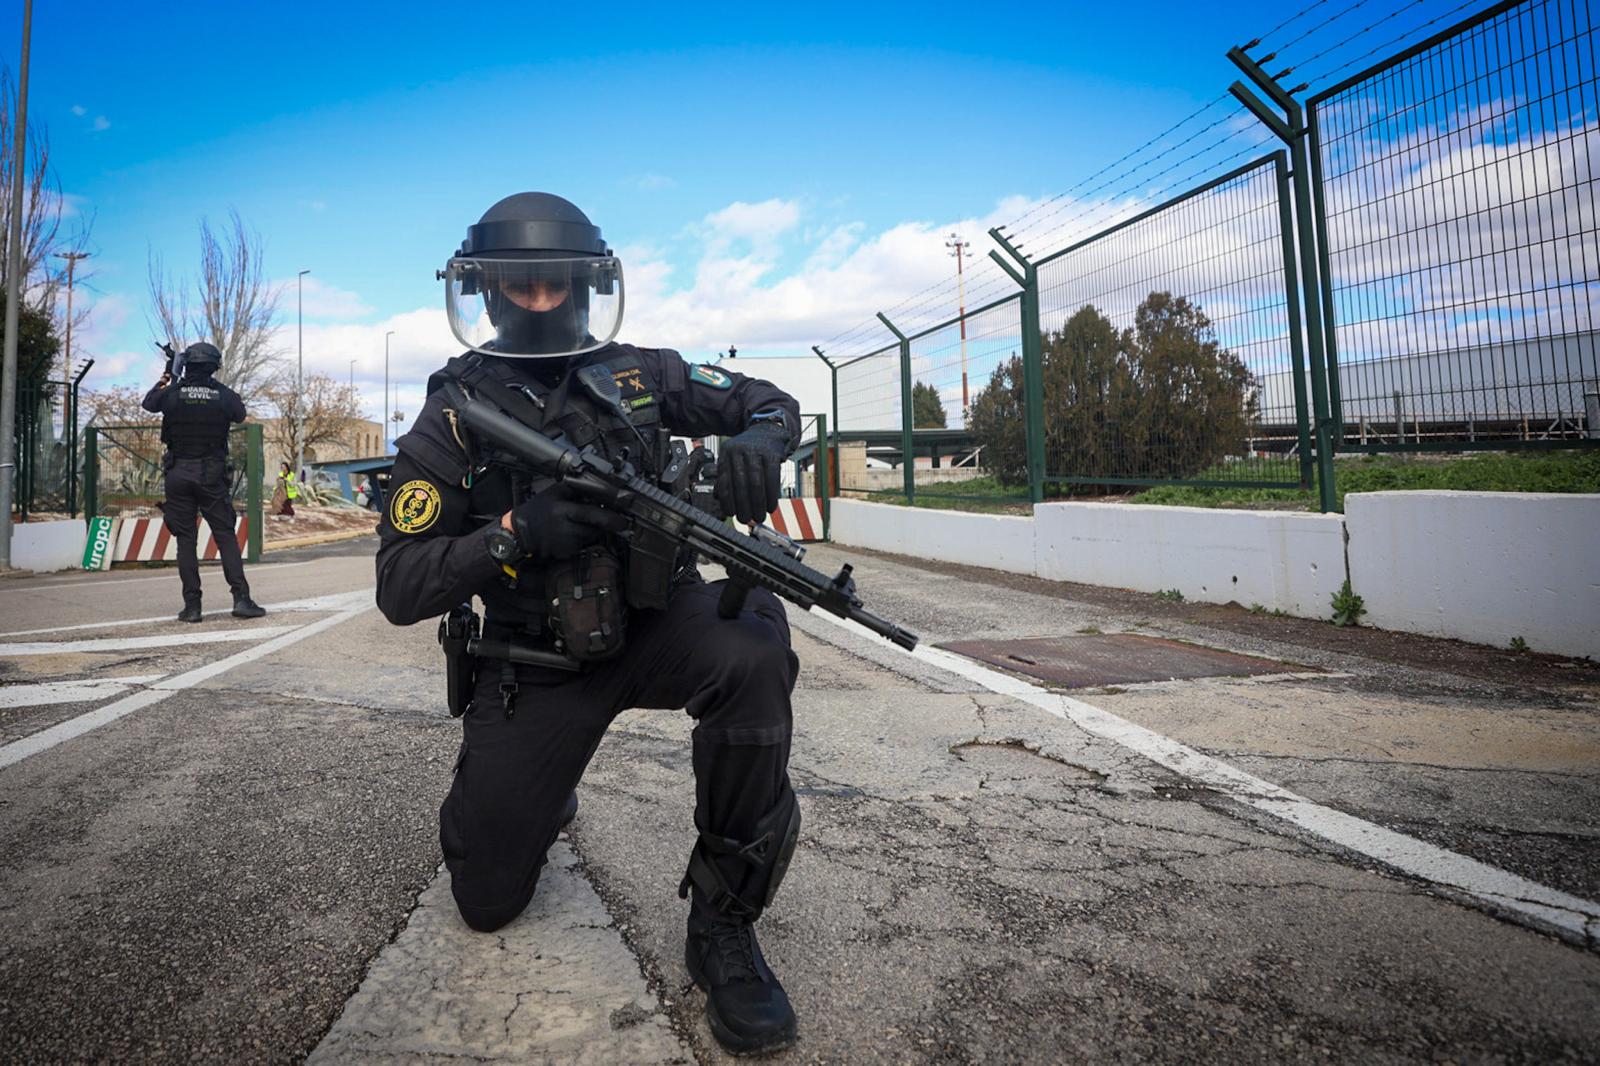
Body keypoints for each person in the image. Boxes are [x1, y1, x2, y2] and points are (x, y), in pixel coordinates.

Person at [375, 192, 803, 1055]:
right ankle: (520, 799)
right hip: (533, 657)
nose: (540, 301)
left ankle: (722, 927)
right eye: (520, 286)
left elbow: (766, 400)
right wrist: (511, 537)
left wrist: (762, 444)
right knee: (488, 901)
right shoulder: (456, 410)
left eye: (555, 284)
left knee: (753, 650)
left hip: (658, 621)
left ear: (586, 283)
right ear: (486, 292)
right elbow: (399, 583)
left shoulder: (643, 370)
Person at [141, 342, 267, 623]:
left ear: (187, 364)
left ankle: (192, 607)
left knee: (186, 540)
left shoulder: (172, 392)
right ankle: (242, 599)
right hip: (211, 474)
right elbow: (239, 413)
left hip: (178, 473)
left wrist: (168, 377)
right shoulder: (223, 395)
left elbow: (149, 403)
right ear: (214, 366)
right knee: (225, 536)